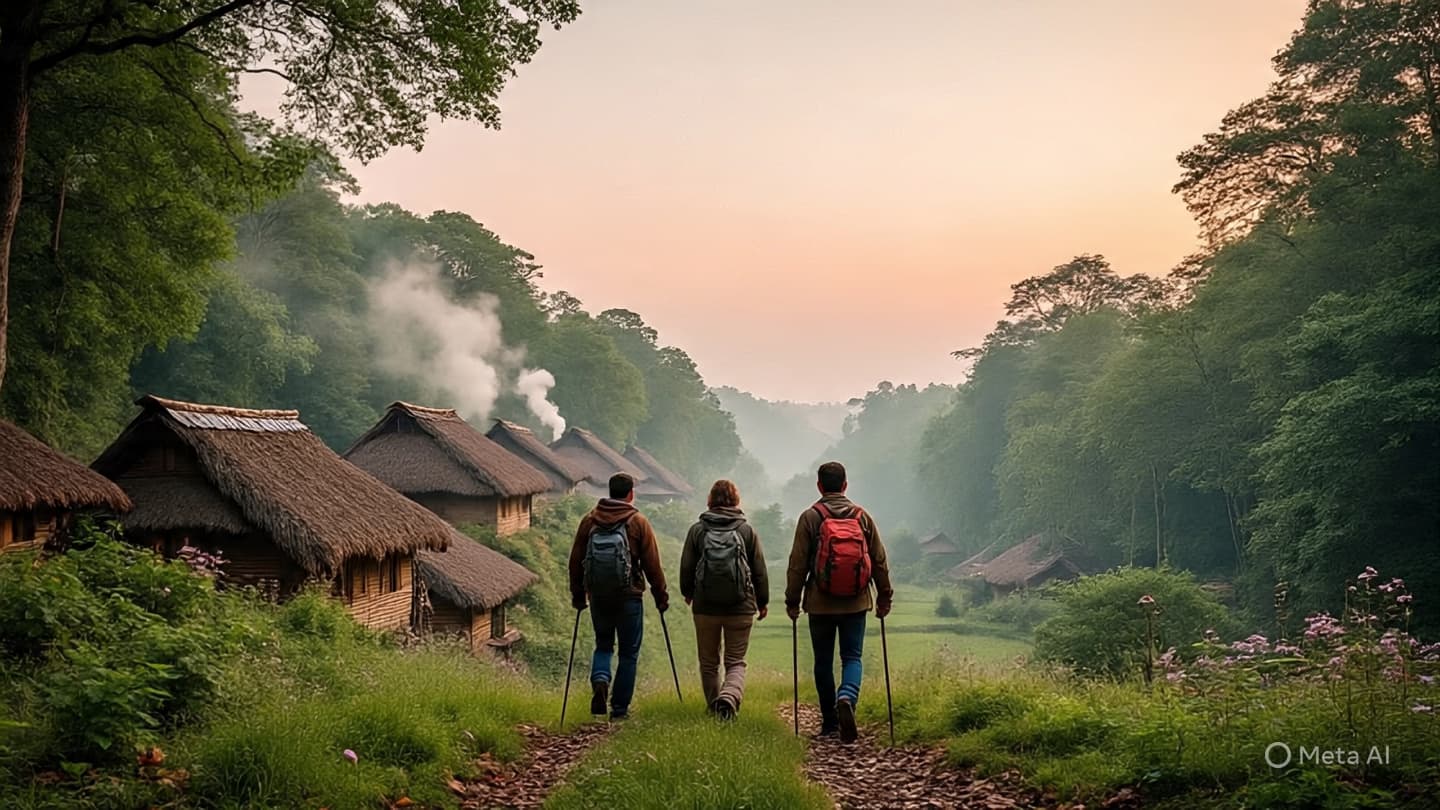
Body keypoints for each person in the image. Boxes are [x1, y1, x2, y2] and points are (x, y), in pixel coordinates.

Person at [785, 461, 893, 742]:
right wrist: (884, 597)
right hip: (855, 603)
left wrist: (792, 601)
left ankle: (830, 723)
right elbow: (879, 561)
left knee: (823, 661)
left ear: (819, 486)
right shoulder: (862, 517)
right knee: (852, 657)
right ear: (845, 485)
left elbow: (797, 564)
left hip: (820, 603)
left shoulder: (810, 517)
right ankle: (847, 697)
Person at [568, 472, 669, 720]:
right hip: (629, 597)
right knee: (628, 653)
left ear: (610, 491)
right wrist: (661, 596)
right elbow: (652, 564)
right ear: (631, 493)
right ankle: (619, 710)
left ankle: (601, 680)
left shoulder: (589, 521)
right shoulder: (638, 522)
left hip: (599, 596)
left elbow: (575, 562)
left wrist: (578, 595)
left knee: (603, 645)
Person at [679, 479, 769, 720]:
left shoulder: (697, 530)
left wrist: (688, 593)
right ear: (736, 500)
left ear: (710, 500)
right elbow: (759, 569)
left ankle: (714, 708)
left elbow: (687, 566)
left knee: (708, 662)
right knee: (736, 661)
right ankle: (729, 697)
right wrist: (762, 601)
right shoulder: (746, 531)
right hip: (741, 606)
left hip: (705, 607)